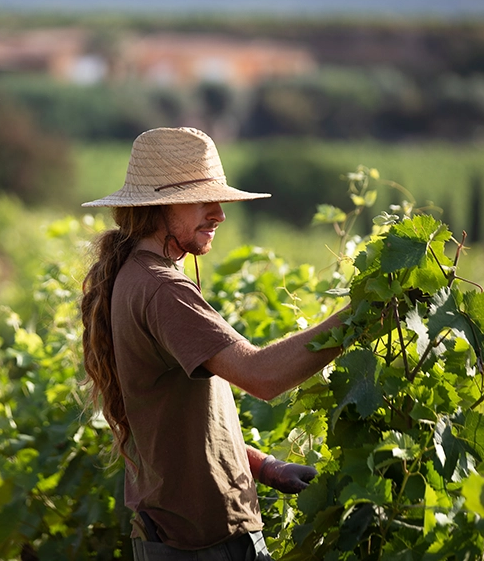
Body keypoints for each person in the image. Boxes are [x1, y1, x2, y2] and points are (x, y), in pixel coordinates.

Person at [80, 127, 345, 560]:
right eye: (203, 199)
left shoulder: (135, 274)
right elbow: (262, 375)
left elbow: (173, 427)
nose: (219, 214)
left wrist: (263, 466)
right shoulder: (161, 289)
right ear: (159, 206)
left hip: (180, 538)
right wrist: (360, 316)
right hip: (202, 546)